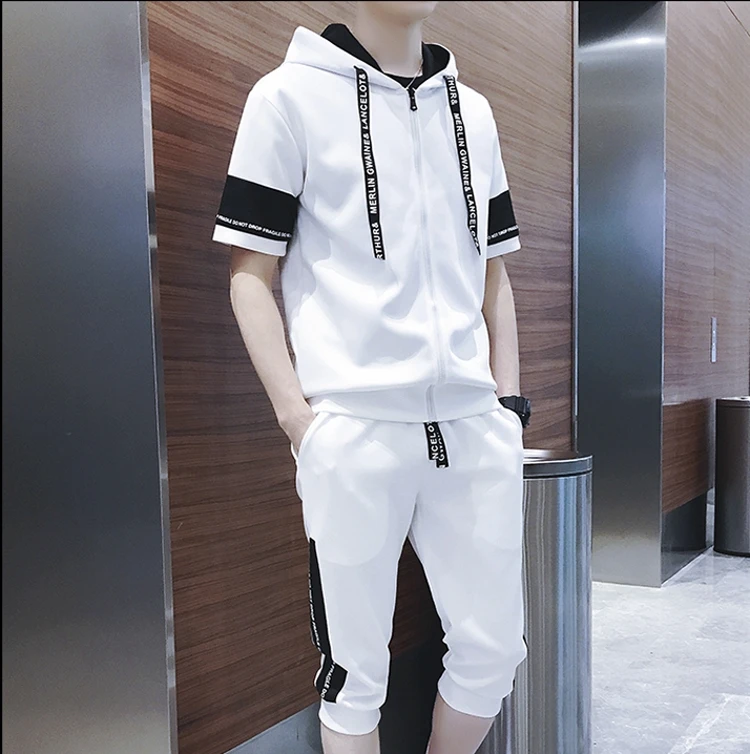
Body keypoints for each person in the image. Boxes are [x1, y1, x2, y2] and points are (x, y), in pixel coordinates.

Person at [213, 2, 531, 752]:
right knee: (355, 678)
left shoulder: (474, 113)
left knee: (493, 654)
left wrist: (508, 407)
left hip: (471, 426)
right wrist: (302, 423)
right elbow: (249, 275)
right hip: (353, 431)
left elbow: (494, 275)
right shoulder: (287, 97)